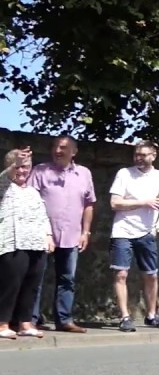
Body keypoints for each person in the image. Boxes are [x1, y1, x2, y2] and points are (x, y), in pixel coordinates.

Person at [29, 135, 95, 333]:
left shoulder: (84, 173)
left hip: (72, 235)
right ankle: (30, 320)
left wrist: (86, 232)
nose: (58, 151)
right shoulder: (40, 171)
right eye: (56, 147)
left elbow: (89, 204)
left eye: (63, 148)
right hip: (42, 234)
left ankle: (64, 320)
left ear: (73, 152)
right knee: (35, 278)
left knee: (67, 279)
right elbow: (30, 201)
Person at [108, 140, 159, 331]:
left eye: (144, 155)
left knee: (151, 275)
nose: (139, 158)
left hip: (147, 233)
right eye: (137, 154)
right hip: (123, 232)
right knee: (121, 273)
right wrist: (144, 202)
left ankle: (152, 315)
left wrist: (156, 227)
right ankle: (125, 317)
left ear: (153, 156)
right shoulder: (124, 174)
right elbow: (115, 203)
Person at [0, 149, 54, 339]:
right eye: (19, 167)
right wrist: (15, 162)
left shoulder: (32, 191)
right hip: (13, 243)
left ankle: (25, 324)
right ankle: (2, 324)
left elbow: (42, 216)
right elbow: (5, 175)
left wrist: (48, 235)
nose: (23, 171)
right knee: (10, 285)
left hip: (36, 243)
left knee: (31, 285)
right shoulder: (4, 185)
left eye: (26, 166)